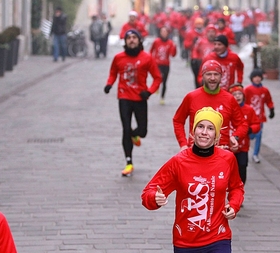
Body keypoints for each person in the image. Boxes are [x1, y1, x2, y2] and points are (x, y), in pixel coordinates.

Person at [142, 107, 244, 253]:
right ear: (193, 132)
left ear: (216, 136)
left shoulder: (227, 159)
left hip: (218, 237)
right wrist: (154, 198)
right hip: (186, 241)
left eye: (210, 128)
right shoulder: (179, 162)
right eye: (200, 127)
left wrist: (234, 205)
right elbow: (148, 192)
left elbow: (237, 187)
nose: (204, 132)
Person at [104, 29, 162, 176]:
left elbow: (157, 77)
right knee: (125, 128)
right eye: (128, 38)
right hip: (124, 97)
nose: (131, 40)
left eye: (134, 37)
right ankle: (129, 162)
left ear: (139, 40)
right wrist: (109, 84)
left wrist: (149, 91)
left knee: (143, 131)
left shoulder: (147, 58)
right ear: (125, 41)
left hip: (140, 98)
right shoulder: (118, 58)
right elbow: (113, 73)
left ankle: (134, 135)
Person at [173, 60, 248, 152]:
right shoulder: (191, 97)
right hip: (195, 151)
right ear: (202, 76)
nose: (212, 78)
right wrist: (183, 144)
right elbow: (178, 120)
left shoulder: (229, 99)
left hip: (222, 152)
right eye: (208, 74)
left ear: (221, 76)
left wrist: (236, 137)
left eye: (216, 74)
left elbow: (242, 124)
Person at [229, 84, 260, 185]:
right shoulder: (227, 109)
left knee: (242, 166)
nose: (237, 96)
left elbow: (256, 124)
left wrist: (251, 129)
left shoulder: (249, 109)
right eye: (234, 94)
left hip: (243, 146)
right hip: (229, 146)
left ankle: (240, 187)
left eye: (239, 94)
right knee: (229, 168)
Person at [244, 69, 275, 163]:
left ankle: (255, 154)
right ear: (252, 79)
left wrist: (271, 109)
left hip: (260, 118)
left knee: (259, 135)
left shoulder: (264, 90)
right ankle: (244, 150)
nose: (257, 79)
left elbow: (268, 100)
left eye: (259, 77)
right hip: (249, 117)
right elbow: (243, 101)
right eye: (255, 77)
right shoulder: (248, 90)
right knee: (249, 135)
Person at [149, 26, 177, 105]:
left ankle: (162, 97)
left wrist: (175, 48)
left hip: (166, 64)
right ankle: (157, 86)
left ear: (168, 33)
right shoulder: (156, 41)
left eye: (165, 32)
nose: (164, 33)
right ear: (160, 33)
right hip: (157, 63)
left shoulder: (170, 43)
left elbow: (173, 54)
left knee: (165, 81)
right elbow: (151, 51)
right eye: (162, 32)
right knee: (159, 77)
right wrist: (151, 59)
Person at [183, 17, 205, 88]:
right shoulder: (191, 33)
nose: (199, 26)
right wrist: (192, 42)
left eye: (200, 24)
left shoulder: (205, 33)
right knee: (196, 77)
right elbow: (186, 45)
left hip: (204, 58)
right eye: (198, 24)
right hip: (194, 58)